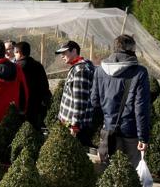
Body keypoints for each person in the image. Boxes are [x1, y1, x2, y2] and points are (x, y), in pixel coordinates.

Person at [91, 35, 150, 166]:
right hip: (131, 133)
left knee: (108, 173)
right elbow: (141, 108)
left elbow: (94, 103)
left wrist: (99, 130)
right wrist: (143, 137)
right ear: (131, 49)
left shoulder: (100, 70)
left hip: (108, 130)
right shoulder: (140, 72)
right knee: (130, 174)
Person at [56, 40, 95, 147]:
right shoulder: (79, 67)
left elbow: (80, 101)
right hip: (72, 123)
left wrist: (75, 125)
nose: (62, 56)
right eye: (61, 54)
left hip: (75, 126)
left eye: (64, 53)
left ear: (74, 51)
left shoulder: (80, 70)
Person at [14, 41, 51, 130]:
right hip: (37, 104)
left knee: (23, 130)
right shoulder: (38, 65)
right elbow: (45, 85)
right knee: (36, 129)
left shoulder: (17, 67)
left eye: (15, 53)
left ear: (19, 52)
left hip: (22, 105)